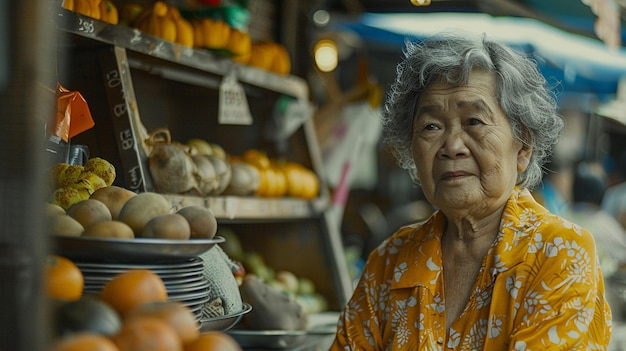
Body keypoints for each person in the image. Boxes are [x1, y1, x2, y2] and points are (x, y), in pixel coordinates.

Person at [329, 31, 612, 350]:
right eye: (431, 126)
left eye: (474, 121)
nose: (451, 146)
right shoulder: (389, 262)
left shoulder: (559, 252)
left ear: (523, 148)